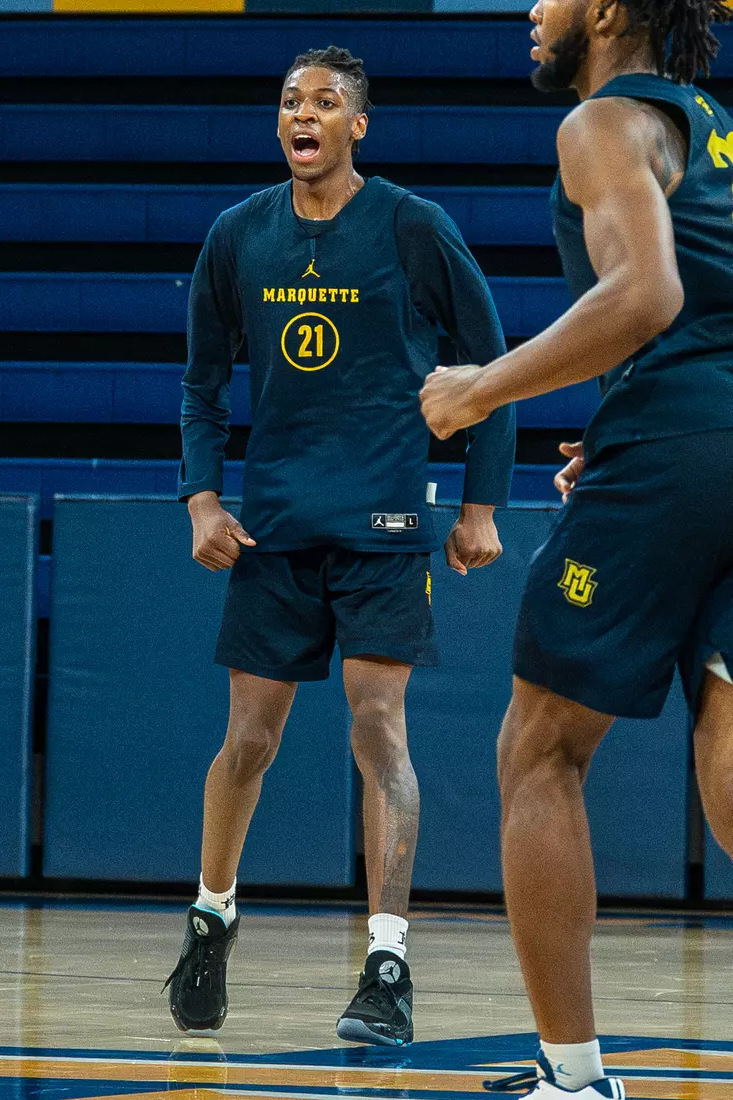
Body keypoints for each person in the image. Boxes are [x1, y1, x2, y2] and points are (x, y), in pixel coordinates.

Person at [165, 46, 515, 1046]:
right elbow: (200, 384)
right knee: (249, 740)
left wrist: (481, 505)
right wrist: (201, 500)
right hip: (273, 532)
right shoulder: (238, 234)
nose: (302, 115)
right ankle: (211, 917)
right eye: (289, 101)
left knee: (378, 729)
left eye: (324, 102)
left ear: (359, 125)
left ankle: (387, 962)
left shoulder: (412, 225)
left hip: (384, 529)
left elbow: (490, 367)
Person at [420, 1, 733, 1095]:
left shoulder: (602, 121)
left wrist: (479, 388)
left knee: (539, 750)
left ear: (604, 12)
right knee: (727, 738)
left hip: (674, 452)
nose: (531, 8)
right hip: (702, 439)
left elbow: (646, 293)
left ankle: (573, 1076)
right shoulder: (712, 123)